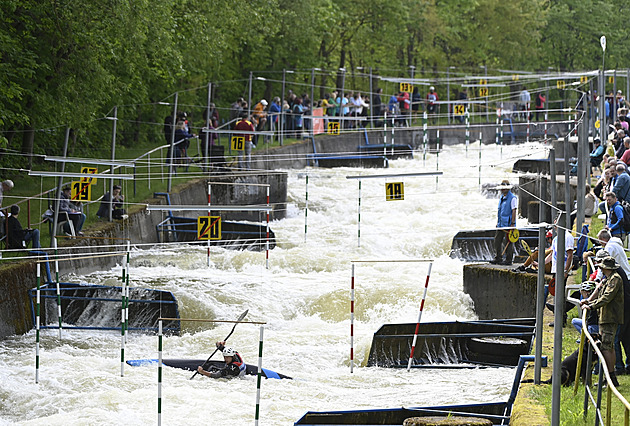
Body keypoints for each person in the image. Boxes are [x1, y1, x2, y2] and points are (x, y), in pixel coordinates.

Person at [581, 255, 624, 387]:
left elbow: (607, 297)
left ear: (606, 268)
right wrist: (590, 301)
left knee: (606, 347)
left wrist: (591, 306)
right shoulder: (608, 279)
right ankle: (610, 378)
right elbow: (600, 292)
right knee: (608, 347)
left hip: (610, 318)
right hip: (605, 317)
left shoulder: (615, 279)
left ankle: (610, 378)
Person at [492, 180, 517, 265]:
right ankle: (498, 257)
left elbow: (514, 211)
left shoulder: (513, 198)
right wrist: (498, 222)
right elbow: (500, 211)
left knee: (508, 242)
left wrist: (513, 224)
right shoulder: (502, 197)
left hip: (508, 224)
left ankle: (508, 260)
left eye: (504, 188)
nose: (502, 190)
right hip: (501, 224)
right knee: (497, 241)